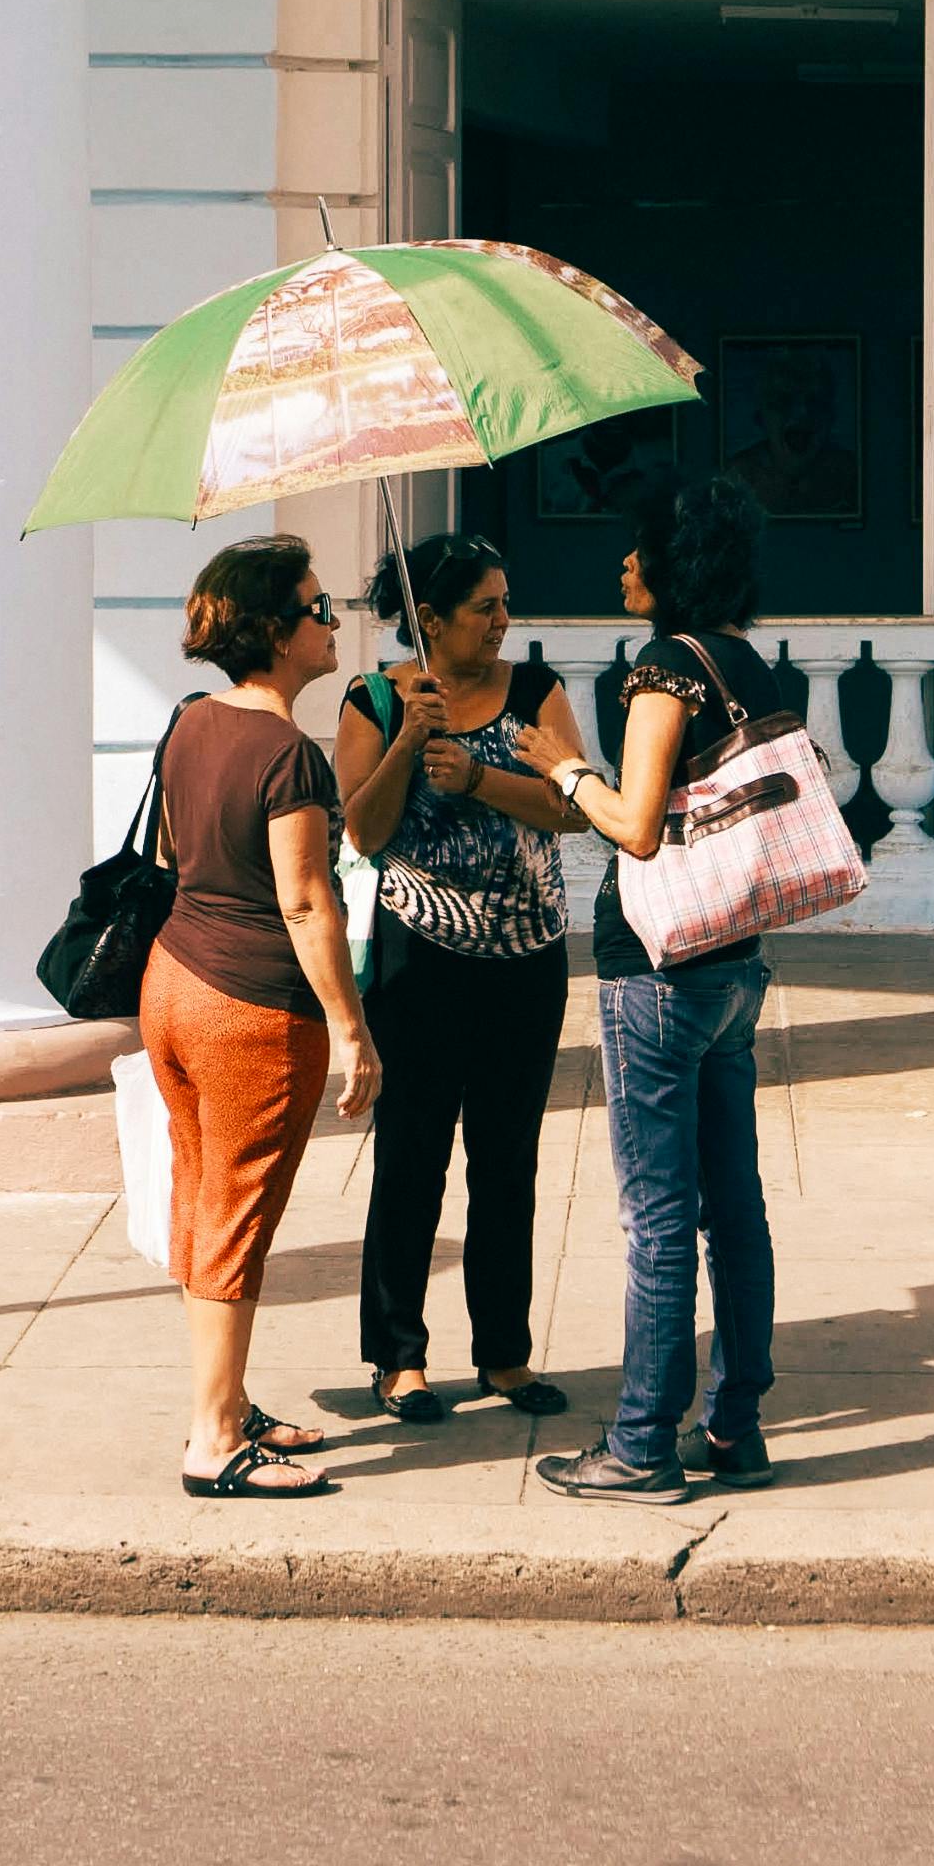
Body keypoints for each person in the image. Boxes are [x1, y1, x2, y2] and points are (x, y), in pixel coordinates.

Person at [531, 476, 789, 1503]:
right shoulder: (743, 660)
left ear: (670, 564)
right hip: (733, 963)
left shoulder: (661, 670)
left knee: (656, 1219)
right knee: (736, 1208)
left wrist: (561, 770)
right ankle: (735, 1425)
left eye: (637, 550)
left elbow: (634, 824)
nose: (623, 567)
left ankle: (640, 1444)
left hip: (656, 969)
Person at [338, 532, 594, 1425]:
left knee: (507, 1159)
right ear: (430, 620)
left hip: (527, 959)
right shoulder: (373, 698)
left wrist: (481, 775)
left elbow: (572, 810)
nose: (502, 620)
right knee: (411, 1157)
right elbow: (362, 831)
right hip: (421, 959)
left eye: (503, 602)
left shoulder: (534, 691)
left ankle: (505, 1356)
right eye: (484, 606)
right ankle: (398, 1358)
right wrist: (410, 741)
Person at [148, 535, 380, 1500]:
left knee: (204, 1197)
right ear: (279, 635)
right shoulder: (287, 754)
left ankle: (229, 1403)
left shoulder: (190, 723)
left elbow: (172, 857)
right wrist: (354, 1031)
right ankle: (211, 1438)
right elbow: (306, 903)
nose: (332, 626)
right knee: (238, 1212)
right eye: (319, 611)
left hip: (173, 980)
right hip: (250, 1006)